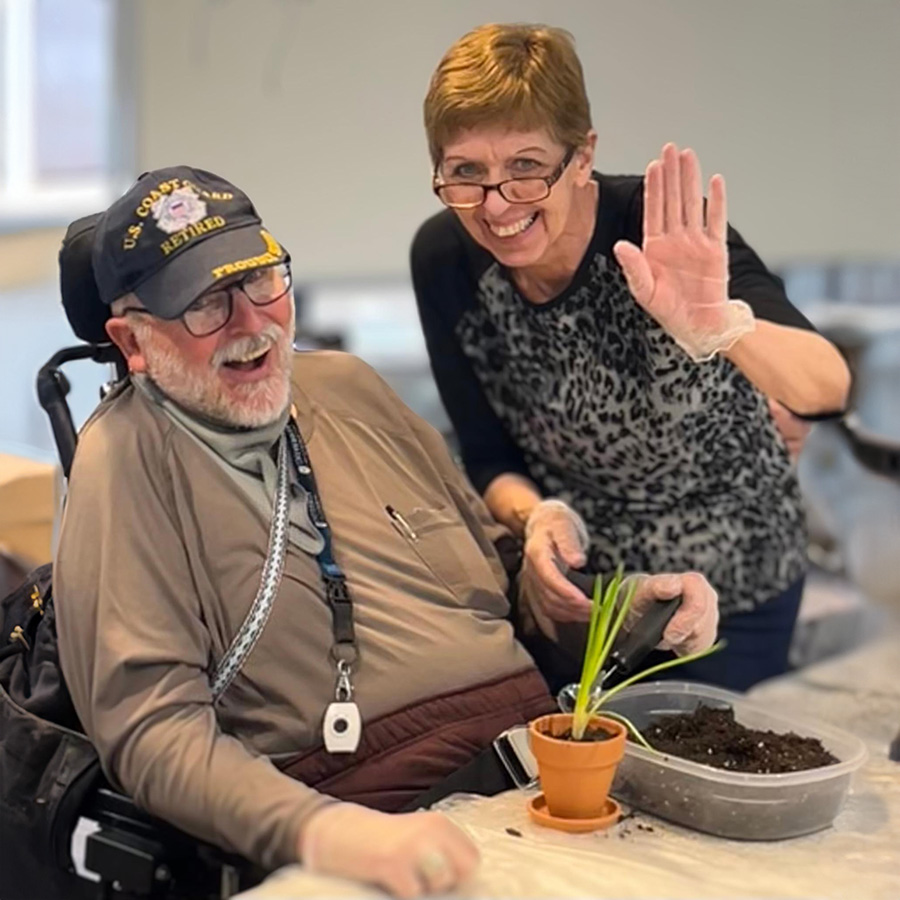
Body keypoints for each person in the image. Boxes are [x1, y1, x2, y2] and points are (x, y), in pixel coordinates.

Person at [55, 166, 719, 898]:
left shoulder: (347, 387)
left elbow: (504, 590)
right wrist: (322, 830)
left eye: (260, 282)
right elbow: (151, 734)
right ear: (133, 339)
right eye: (206, 305)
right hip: (383, 818)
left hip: (549, 780)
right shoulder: (125, 460)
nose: (252, 325)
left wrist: (618, 611)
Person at [411, 23, 851, 692]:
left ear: (582, 156)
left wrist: (720, 326)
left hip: (735, 584)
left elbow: (825, 385)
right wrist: (537, 519)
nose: (496, 206)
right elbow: (489, 455)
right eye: (466, 173)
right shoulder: (444, 258)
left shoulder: (660, 228)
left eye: (526, 167)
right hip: (590, 591)